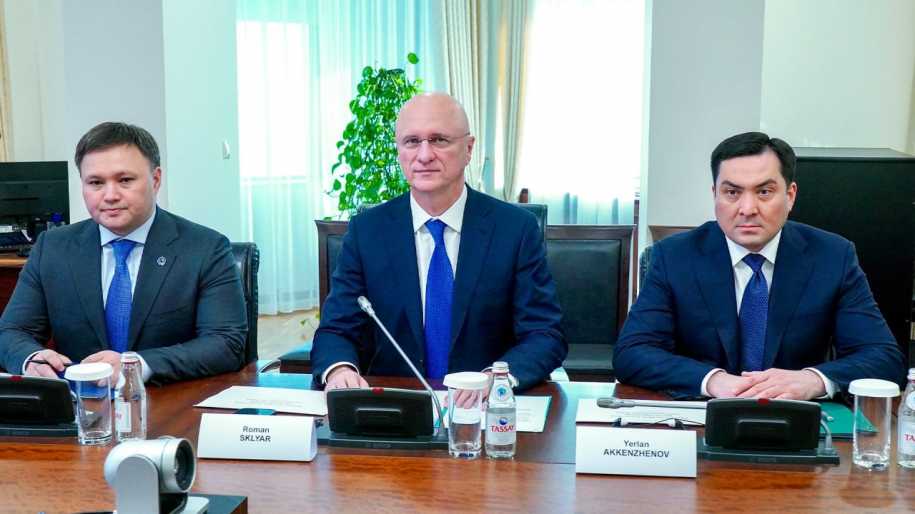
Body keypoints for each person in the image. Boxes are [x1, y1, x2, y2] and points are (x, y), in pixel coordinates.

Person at [613, 131, 905, 399]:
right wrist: (712, 380)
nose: (748, 209)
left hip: (797, 417)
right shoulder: (675, 256)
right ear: (714, 194)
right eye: (732, 193)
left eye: (764, 192)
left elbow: (884, 357)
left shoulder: (832, 256)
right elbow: (632, 353)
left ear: (790, 196)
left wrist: (812, 380)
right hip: (703, 417)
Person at [312, 92, 566, 391]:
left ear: (468, 149)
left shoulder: (515, 229)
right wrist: (340, 369)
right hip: (396, 403)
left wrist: (496, 380)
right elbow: (337, 329)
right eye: (411, 141)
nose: (424, 155)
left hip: (487, 406)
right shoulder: (367, 231)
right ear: (399, 150)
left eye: (439, 140)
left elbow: (544, 334)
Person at [0, 122, 247, 383]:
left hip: (168, 398)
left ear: (155, 180)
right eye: (96, 182)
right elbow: (11, 331)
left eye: (125, 180)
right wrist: (31, 359)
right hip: (80, 401)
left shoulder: (205, 248)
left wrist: (135, 366)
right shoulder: (52, 248)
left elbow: (225, 343)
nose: (110, 195)